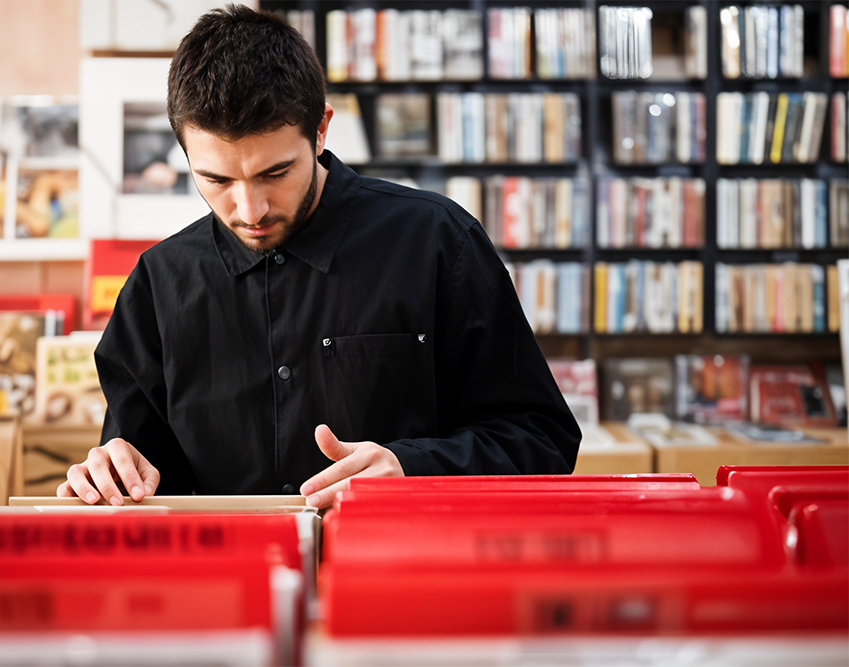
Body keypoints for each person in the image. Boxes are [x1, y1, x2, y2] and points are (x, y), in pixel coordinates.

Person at [58, 4, 581, 509]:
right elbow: (141, 470)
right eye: (216, 179)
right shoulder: (159, 284)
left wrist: (414, 467)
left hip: (405, 576)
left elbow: (542, 438)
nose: (250, 209)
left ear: (321, 128)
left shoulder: (439, 242)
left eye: (275, 173)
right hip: (232, 584)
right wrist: (111, 474)